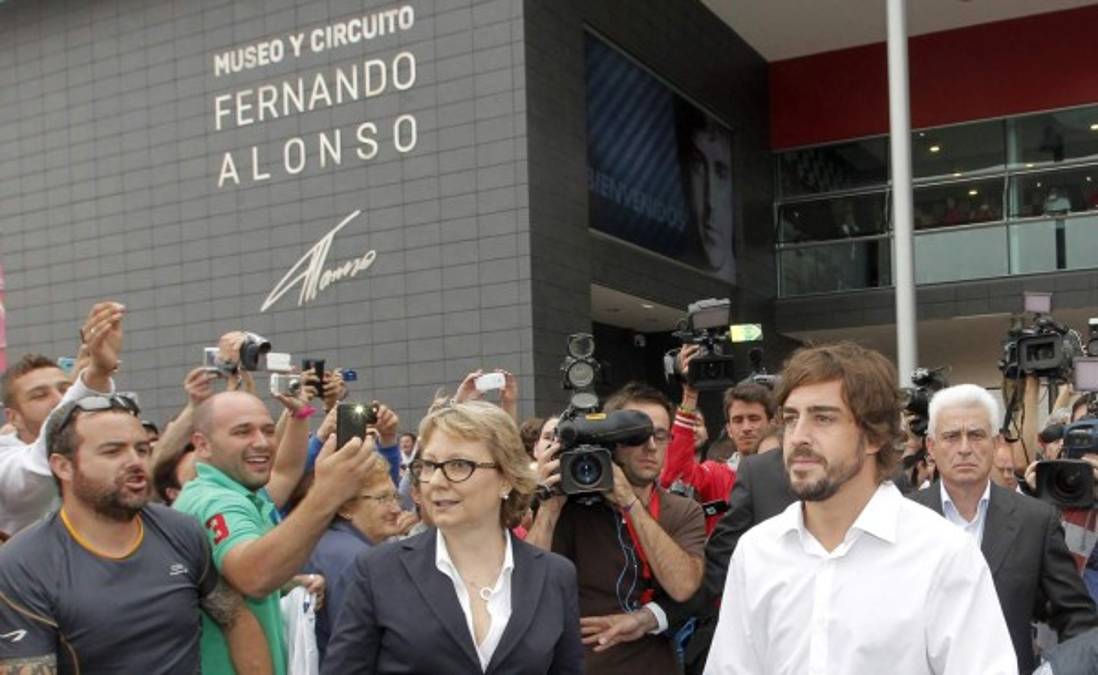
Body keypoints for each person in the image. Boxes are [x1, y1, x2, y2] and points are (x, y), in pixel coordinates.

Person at [705, 342, 1014, 674]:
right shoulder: (757, 552)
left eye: (823, 418)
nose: (798, 437)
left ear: (874, 436)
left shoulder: (942, 553)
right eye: (791, 419)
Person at [0, 395, 271, 674]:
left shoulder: (182, 531)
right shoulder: (24, 564)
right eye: (113, 451)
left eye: (141, 450)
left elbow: (236, 617)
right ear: (63, 466)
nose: (135, 462)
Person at [323, 401, 583, 674]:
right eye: (428, 465)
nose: (436, 481)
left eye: (458, 465)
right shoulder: (377, 571)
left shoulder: (555, 575)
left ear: (506, 478)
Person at [173, 391, 384, 675]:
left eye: (268, 430)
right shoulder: (216, 502)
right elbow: (254, 576)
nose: (261, 442)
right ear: (203, 445)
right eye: (242, 432)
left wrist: (300, 415)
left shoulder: (244, 493)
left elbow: (285, 473)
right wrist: (327, 494)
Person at [912, 384, 1098, 673]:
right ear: (931, 447)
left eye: (976, 435)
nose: (964, 448)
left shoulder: (1035, 520)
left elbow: (1078, 619)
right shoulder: (904, 518)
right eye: (951, 436)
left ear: (996, 442)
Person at [527, 382, 706, 675]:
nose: (650, 447)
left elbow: (684, 586)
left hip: (654, 664)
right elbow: (528, 588)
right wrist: (549, 506)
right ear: (609, 441)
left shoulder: (684, 510)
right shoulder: (569, 507)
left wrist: (629, 501)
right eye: (636, 436)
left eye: (660, 436)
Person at [0, 302, 124, 535]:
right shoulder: (6, 463)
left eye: (65, 389)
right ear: (13, 417)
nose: (59, 400)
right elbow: (37, 468)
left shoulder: (93, 452)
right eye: (39, 395)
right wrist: (96, 374)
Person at [304, 455, 406, 663]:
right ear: (345, 507)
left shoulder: (325, 543)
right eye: (383, 498)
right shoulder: (357, 560)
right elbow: (356, 652)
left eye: (396, 497)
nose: (396, 509)